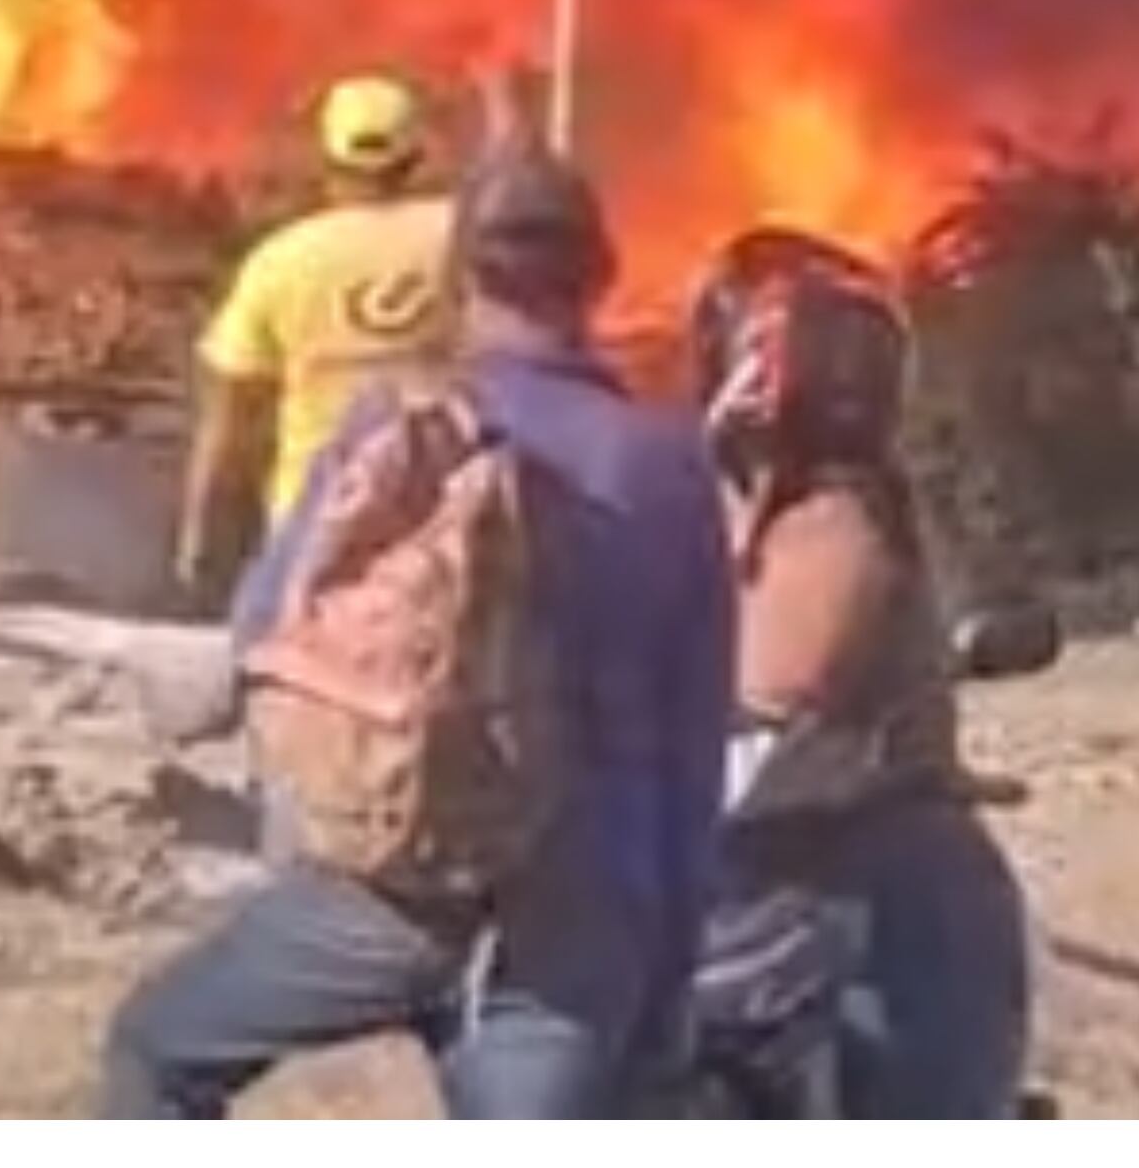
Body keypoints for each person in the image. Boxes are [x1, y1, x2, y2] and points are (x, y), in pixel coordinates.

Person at [101, 147, 733, 1119]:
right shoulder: (665, 463)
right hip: (583, 904)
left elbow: (267, 629)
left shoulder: (397, 429)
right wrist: (673, 960)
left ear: (459, 275)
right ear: (601, 273)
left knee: (154, 1047)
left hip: (396, 884)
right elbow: (695, 747)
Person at [687, 227, 1030, 1118]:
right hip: (742, 909)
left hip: (854, 910)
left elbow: (775, 680)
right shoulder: (718, 502)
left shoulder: (843, 520)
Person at [175, 73, 459, 602]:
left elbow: (232, 421)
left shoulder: (281, 262)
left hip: (311, 528)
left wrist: (202, 535)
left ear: (327, 164)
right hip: (440, 526)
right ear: (416, 158)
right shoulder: (464, 240)